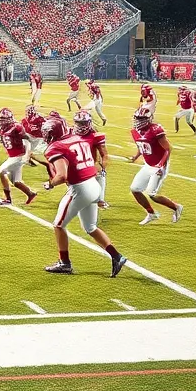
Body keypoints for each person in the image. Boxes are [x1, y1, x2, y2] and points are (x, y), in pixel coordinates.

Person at [40, 117, 128, 278]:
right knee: (90, 227)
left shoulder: (56, 147)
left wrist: (50, 184)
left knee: (58, 225)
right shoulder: (77, 138)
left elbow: (62, 176)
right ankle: (117, 257)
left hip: (80, 189)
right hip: (94, 185)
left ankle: (64, 263)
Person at [127, 106, 183, 225]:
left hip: (159, 165)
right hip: (148, 165)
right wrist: (135, 157)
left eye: (141, 118)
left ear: (148, 119)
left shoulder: (155, 129)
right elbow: (141, 147)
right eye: (137, 118)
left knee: (152, 194)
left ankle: (176, 207)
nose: (138, 121)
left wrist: (161, 165)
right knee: (134, 189)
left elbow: (168, 149)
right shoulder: (134, 132)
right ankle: (151, 214)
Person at [0, 108, 37, 205]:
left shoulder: (17, 127)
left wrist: (27, 155)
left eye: (4, 119)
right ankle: (30, 194)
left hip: (19, 156)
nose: (1, 121)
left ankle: (8, 199)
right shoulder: (1, 129)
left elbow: (27, 140)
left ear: (10, 118)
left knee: (1, 172)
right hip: (12, 156)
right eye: (0, 119)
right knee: (16, 182)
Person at [74, 110, 110, 209]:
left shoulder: (95, 135)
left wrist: (103, 167)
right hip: (75, 163)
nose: (81, 125)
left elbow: (104, 154)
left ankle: (100, 200)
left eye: (84, 123)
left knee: (100, 174)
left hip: (90, 163)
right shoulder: (70, 133)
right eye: (79, 123)